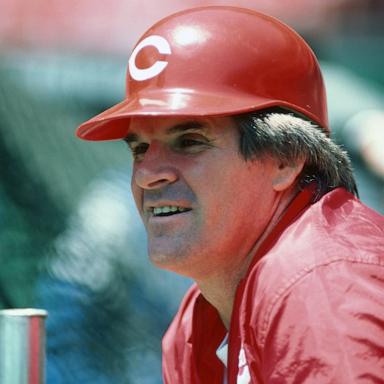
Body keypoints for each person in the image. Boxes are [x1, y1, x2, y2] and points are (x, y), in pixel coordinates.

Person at [76, 6, 384, 383]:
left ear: (285, 161)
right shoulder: (203, 315)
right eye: (139, 149)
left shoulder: (321, 286)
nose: (146, 175)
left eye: (189, 141)